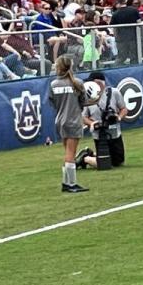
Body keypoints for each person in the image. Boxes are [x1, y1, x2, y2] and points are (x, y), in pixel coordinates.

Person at [48, 55, 89, 193]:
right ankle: (71, 184)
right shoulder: (77, 83)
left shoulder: (54, 84)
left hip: (60, 120)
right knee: (71, 153)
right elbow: (83, 102)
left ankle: (67, 182)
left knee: (67, 151)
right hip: (73, 120)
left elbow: (52, 102)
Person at [77, 71, 129, 170]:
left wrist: (118, 117)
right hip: (99, 133)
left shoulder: (114, 93)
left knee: (119, 162)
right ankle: (85, 159)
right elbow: (83, 117)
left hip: (114, 132)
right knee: (107, 164)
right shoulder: (87, 97)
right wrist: (92, 123)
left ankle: (90, 154)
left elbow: (124, 109)